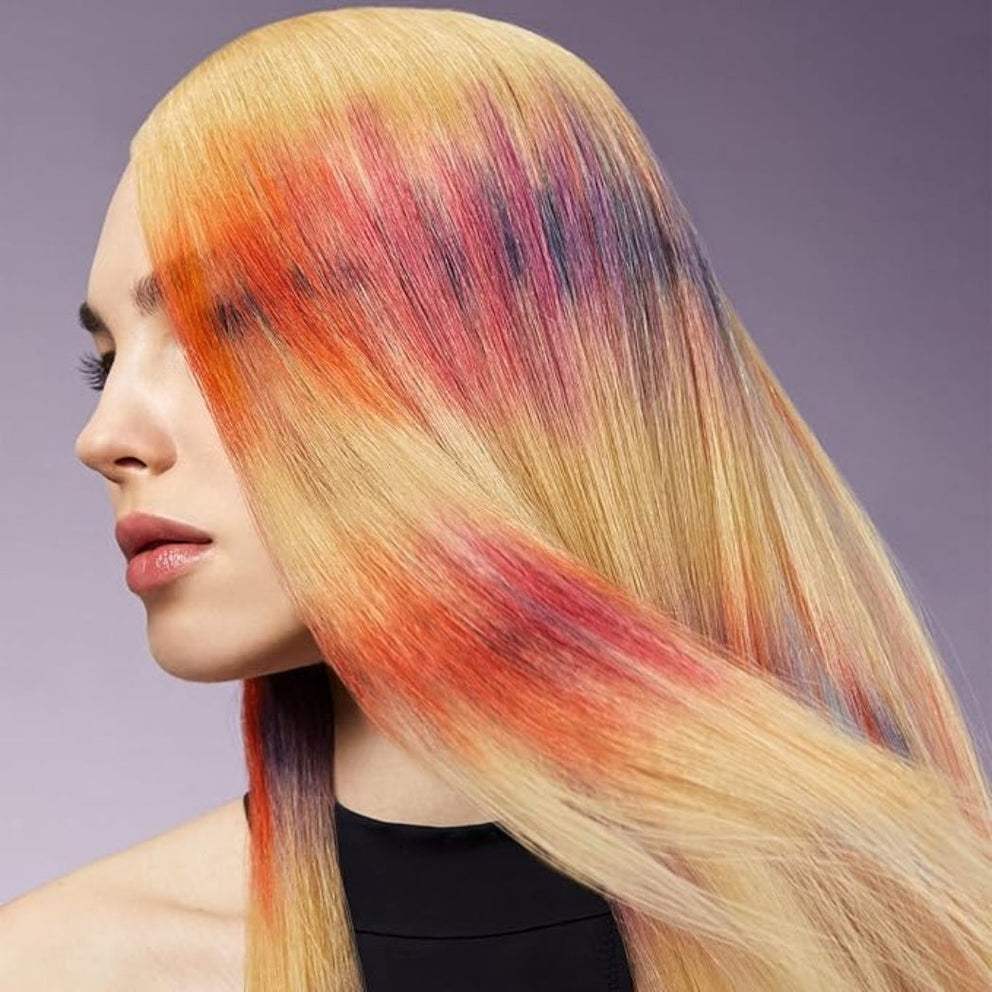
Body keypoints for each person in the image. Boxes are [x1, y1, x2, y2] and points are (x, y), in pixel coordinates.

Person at [3, 7, 990, 990]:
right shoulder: (60, 966)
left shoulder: (927, 939)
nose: (104, 437)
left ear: (515, 366)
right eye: (104, 363)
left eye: (231, 327)